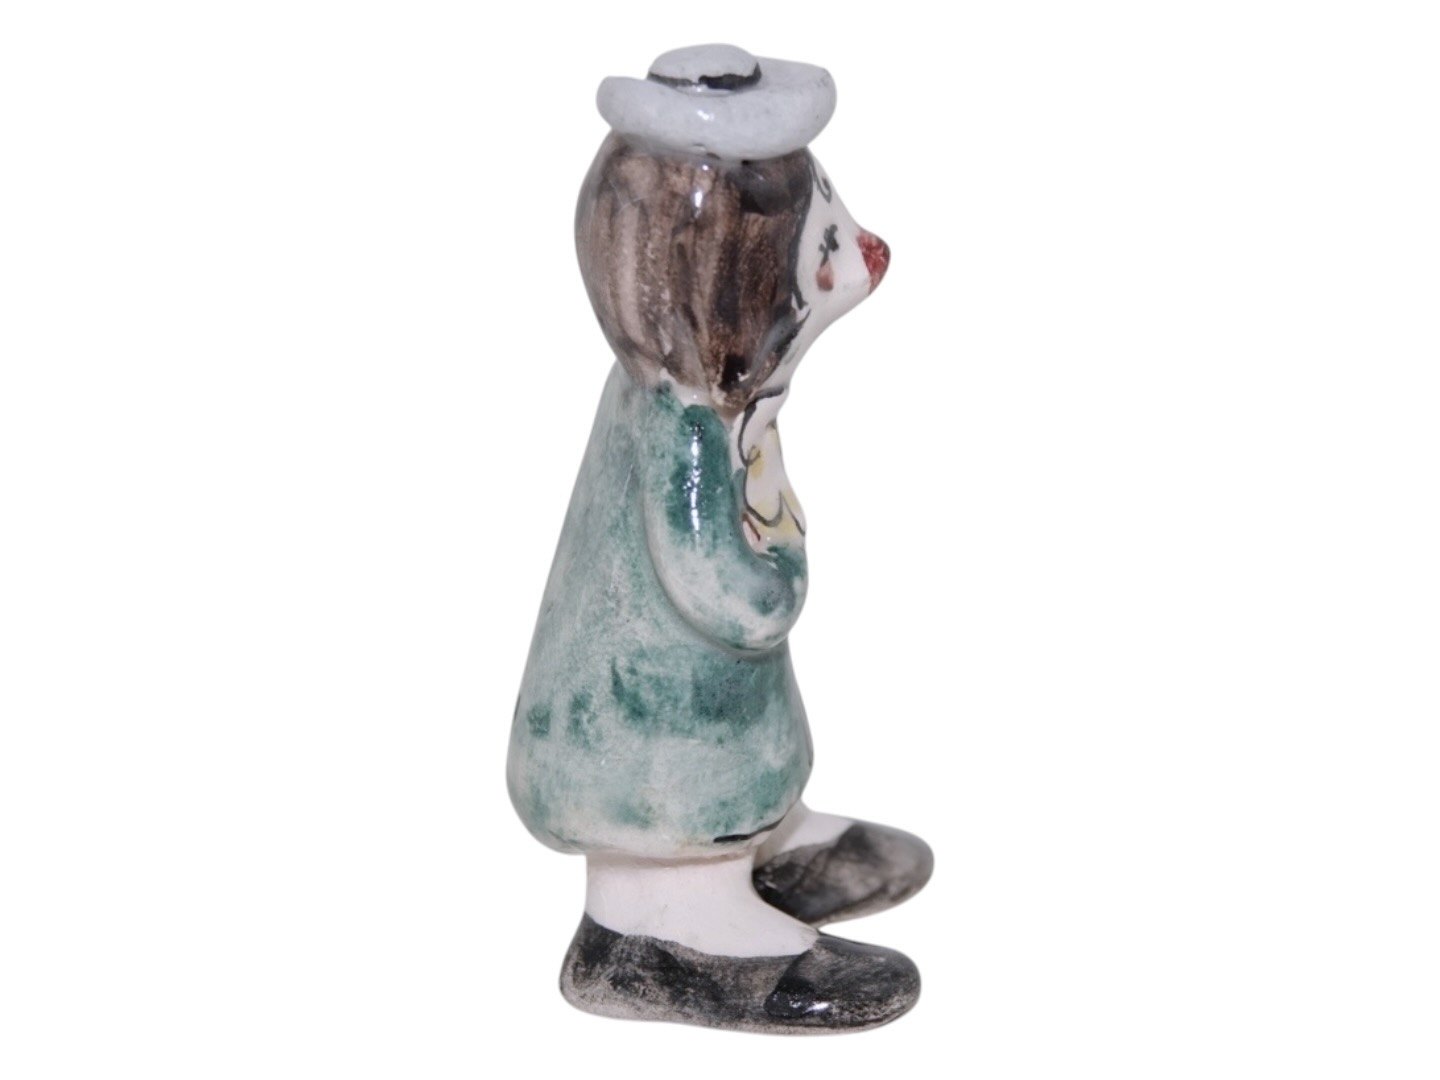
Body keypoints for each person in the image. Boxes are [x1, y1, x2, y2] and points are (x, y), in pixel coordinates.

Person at [506, 44, 931, 1033]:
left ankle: (759, 846)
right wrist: (777, 580)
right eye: (824, 250)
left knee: (736, 743)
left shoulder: (707, 405)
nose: (863, 259)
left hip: (693, 706)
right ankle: (661, 926)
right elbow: (722, 589)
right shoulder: (684, 428)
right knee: (692, 778)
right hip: (643, 740)